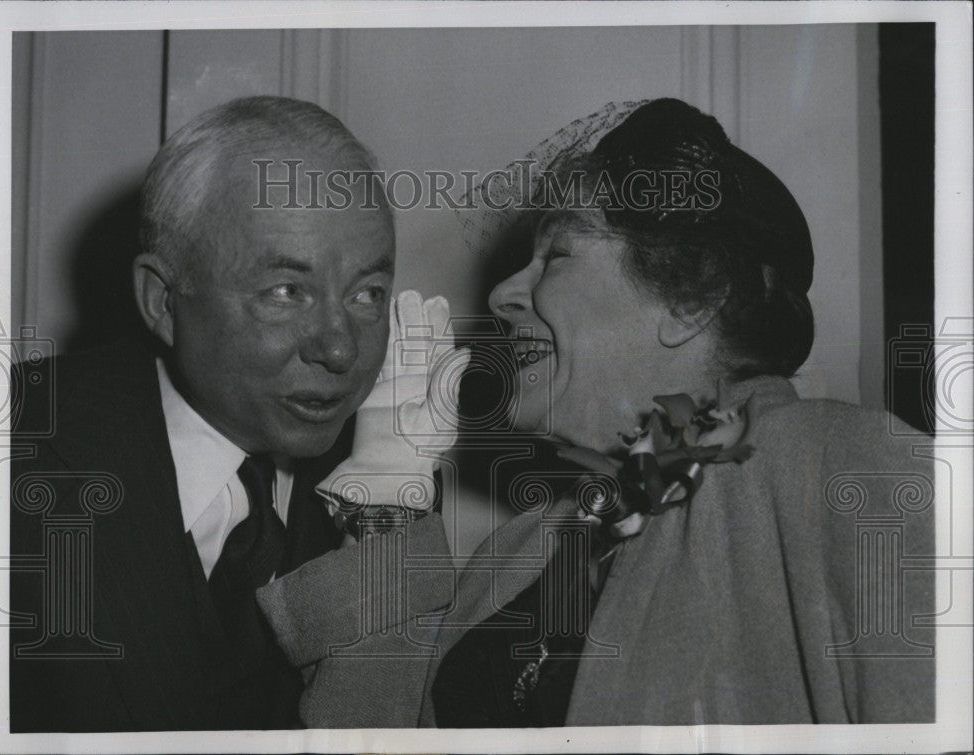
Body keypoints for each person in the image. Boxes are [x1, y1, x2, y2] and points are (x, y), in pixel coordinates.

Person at [257, 98, 936, 726]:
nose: (500, 295)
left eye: (556, 254)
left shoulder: (845, 471)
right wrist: (387, 504)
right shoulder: (518, 551)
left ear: (690, 298)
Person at [8, 95, 463, 731]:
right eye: (286, 291)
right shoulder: (8, 460)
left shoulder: (384, 481)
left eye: (367, 293)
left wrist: (383, 521)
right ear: (163, 301)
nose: (340, 348)